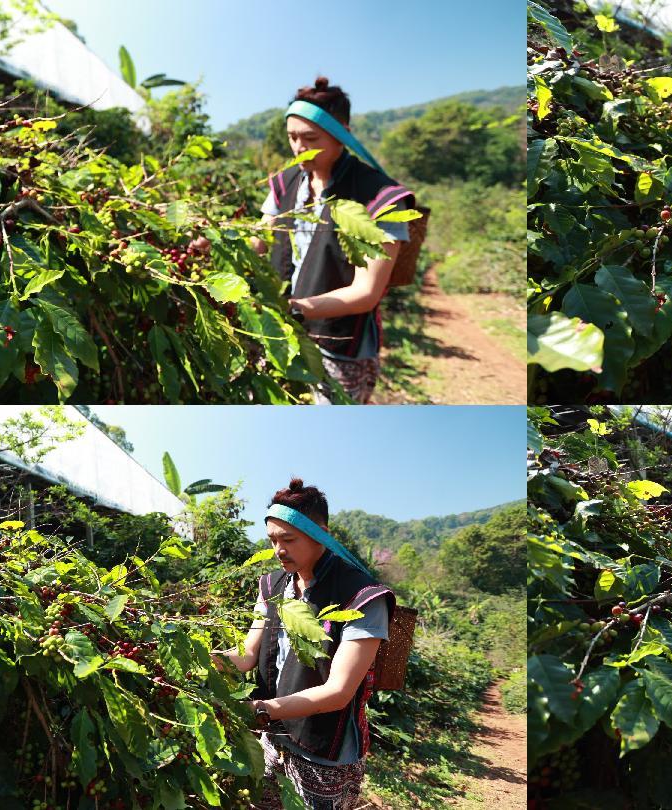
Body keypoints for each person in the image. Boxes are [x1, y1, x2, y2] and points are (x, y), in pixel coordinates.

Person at [211, 479, 394, 810]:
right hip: (274, 734)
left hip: (323, 749)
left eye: (289, 540)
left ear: (321, 533)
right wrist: (199, 660)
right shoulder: (273, 586)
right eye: (272, 540)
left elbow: (338, 692)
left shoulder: (361, 596)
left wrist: (261, 710)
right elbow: (248, 654)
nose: (279, 550)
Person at [251, 77, 415, 404]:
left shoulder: (378, 196)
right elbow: (260, 240)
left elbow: (366, 292)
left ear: (343, 135)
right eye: (292, 137)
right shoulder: (285, 183)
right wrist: (216, 245)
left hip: (338, 343)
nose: (299, 147)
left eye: (310, 138)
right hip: (280, 331)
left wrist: (294, 309)